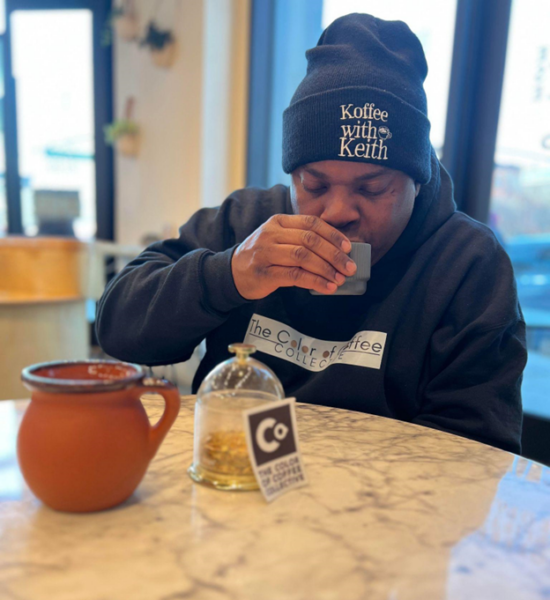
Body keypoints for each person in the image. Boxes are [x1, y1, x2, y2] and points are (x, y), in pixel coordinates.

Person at [96, 13, 527, 453]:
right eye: (314, 185)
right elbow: (118, 328)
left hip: (380, 510)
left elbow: (474, 458)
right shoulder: (247, 222)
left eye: (372, 187)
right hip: (230, 483)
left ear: (417, 180)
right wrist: (229, 276)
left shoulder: (467, 265)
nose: (337, 212)